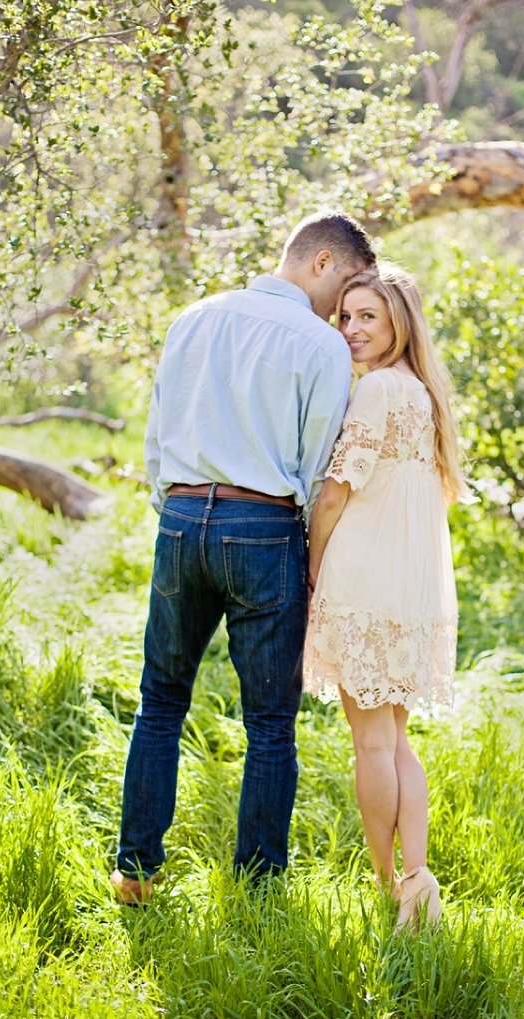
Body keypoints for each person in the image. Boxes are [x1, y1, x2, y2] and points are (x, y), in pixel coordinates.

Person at [110, 212, 376, 905]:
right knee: (268, 721)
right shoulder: (319, 347)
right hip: (263, 525)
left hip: (179, 516)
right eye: (344, 286)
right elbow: (319, 468)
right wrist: (312, 557)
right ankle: (257, 888)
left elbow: (156, 433)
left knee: (160, 701)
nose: (342, 310)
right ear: (320, 261)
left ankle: (134, 872)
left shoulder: (193, 318)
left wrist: (176, 510)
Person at [304, 264, 468, 930]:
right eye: (344, 317)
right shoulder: (424, 396)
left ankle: (387, 884)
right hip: (408, 587)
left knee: (370, 744)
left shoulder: (375, 392)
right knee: (395, 739)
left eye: (366, 316)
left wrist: (312, 569)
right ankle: (418, 876)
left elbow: (337, 491)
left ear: (399, 319)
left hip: (363, 580)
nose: (351, 329)